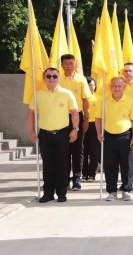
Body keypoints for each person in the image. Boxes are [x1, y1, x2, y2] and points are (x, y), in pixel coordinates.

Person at [27, 67, 79, 203]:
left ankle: (61, 193)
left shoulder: (67, 94)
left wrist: (75, 129)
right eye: (48, 76)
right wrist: (31, 131)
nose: (51, 79)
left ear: (59, 77)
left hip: (62, 134)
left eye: (54, 76)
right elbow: (31, 113)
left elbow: (74, 113)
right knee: (48, 165)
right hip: (45, 135)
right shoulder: (37, 94)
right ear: (44, 78)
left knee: (62, 164)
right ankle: (48, 193)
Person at [96, 77, 133, 201]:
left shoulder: (130, 101)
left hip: (125, 136)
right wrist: (99, 133)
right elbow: (98, 118)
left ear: (124, 87)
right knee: (110, 165)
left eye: (119, 86)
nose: (117, 88)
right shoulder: (104, 101)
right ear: (110, 87)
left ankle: (126, 189)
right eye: (114, 86)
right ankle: (112, 191)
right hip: (108, 136)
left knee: (127, 164)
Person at [59, 54, 92, 191]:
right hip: (61, 117)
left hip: (77, 116)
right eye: (65, 64)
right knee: (63, 150)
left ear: (75, 64)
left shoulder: (81, 80)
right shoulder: (58, 79)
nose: (68, 66)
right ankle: (64, 179)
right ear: (61, 65)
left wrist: (86, 118)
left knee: (78, 149)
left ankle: (77, 178)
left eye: (71, 63)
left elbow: (85, 100)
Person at [82, 77, 101, 181]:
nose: (91, 87)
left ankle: (92, 173)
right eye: (89, 85)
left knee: (94, 150)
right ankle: (84, 173)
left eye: (93, 85)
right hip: (83, 124)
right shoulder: (81, 98)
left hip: (95, 125)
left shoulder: (99, 98)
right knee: (83, 150)